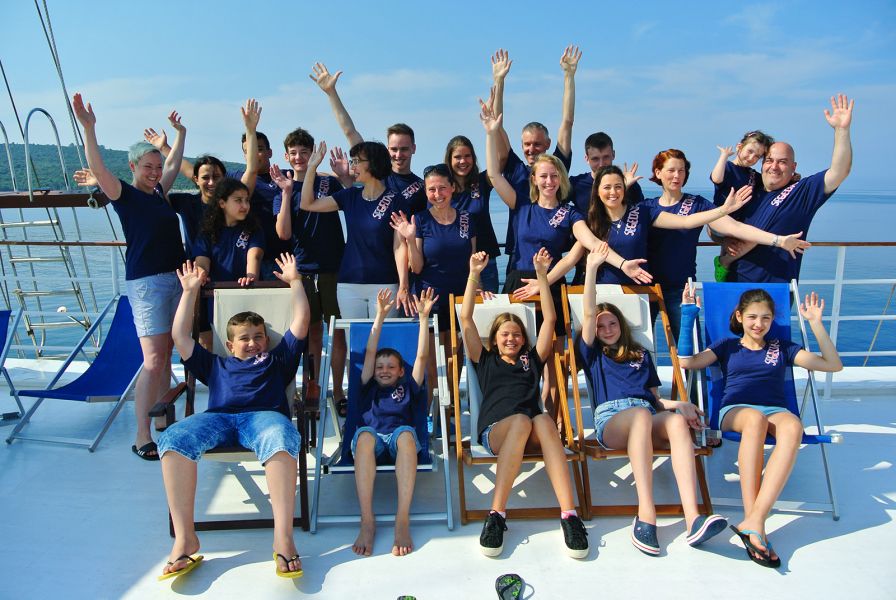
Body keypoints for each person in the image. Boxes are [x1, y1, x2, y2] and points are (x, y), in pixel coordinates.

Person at [158, 254, 309, 579]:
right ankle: (186, 538)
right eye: (245, 338)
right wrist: (189, 292)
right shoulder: (215, 364)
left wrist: (296, 281)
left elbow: (300, 324)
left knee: (281, 438)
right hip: (220, 419)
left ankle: (283, 537)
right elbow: (180, 338)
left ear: (266, 340)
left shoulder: (277, 360)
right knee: (173, 439)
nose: (253, 342)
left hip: (264, 417)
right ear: (229, 344)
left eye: (258, 336)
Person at [577, 244, 727, 555]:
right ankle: (647, 512)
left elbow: (654, 400)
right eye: (601, 326)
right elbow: (589, 312)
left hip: (645, 411)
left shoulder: (641, 354)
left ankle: (693, 518)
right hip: (613, 421)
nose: (606, 329)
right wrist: (591, 269)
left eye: (612, 324)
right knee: (643, 416)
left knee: (674, 423)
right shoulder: (592, 354)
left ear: (622, 326)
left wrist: (680, 406)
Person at [678, 287, 842, 567]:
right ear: (739, 316)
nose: (759, 324)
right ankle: (754, 520)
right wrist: (688, 313)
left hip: (775, 410)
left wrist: (815, 323)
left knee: (793, 427)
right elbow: (686, 362)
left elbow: (833, 365)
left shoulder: (782, 348)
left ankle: (755, 522)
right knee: (755, 419)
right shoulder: (726, 346)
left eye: (766, 318)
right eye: (752, 317)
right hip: (736, 410)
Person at [72, 92, 186, 460]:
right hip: (148, 284)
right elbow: (100, 169)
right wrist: (89, 128)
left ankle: (162, 426)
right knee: (153, 361)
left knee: (167, 358)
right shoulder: (125, 195)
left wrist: (179, 135)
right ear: (133, 167)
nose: (155, 172)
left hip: (174, 279)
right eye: (147, 167)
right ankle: (141, 435)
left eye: (157, 167)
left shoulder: (158, 194)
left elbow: (174, 164)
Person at [460, 249, 589, 560]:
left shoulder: (531, 359)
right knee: (522, 419)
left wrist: (543, 276)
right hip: (497, 431)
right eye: (505, 334)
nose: (512, 339)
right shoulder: (485, 360)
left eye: (517, 335)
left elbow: (552, 319)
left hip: (532, 430)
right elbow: (465, 318)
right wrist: (474, 273)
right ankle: (497, 515)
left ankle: (569, 515)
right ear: (494, 337)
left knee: (544, 420)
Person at [644, 149, 810, 340]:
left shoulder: (697, 204)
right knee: (640, 345)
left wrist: (779, 240)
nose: (677, 176)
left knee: (691, 348)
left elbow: (734, 227)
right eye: (671, 170)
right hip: (646, 286)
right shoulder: (645, 207)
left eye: (681, 170)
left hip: (680, 289)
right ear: (658, 173)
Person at [721, 94, 854, 283]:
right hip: (734, 283)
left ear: (793, 167)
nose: (774, 166)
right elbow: (717, 223)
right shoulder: (747, 188)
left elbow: (840, 171)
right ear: (762, 164)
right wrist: (722, 240)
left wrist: (842, 130)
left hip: (777, 289)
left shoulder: (802, 192)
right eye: (769, 160)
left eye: (782, 162)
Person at [269, 127, 349, 418]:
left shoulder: (328, 184)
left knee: (338, 334)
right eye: (294, 153)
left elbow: (353, 201)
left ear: (313, 152)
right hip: (302, 270)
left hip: (333, 267)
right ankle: (314, 390)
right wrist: (288, 193)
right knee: (311, 334)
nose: (300, 157)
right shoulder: (283, 188)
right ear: (286, 156)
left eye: (305, 152)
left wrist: (342, 175)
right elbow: (283, 232)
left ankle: (339, 391)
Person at [351, 287, 435, 558]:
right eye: (379, 367)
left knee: (407, 437)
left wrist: (423, 320)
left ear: (401, 371)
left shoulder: (409, 385)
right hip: (372, 434)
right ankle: (367, 520)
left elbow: (422, 357)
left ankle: (402, 519)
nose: (384, 370)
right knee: (363, 437)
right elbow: (370, 350)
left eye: (390, 366)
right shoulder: (367, 385)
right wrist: (380, 316)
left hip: (400, 434)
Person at [391, 163, 476, 407]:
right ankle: (428, 412)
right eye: (431, 190)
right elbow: (416, 267)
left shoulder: (466, 219)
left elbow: (472, 261)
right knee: (429, 362)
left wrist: (476, 286)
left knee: (454, 358)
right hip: (429, 298)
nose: (437, 194)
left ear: (452, 188)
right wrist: (408, 240)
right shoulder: (420, 219)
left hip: (459, 298)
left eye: (442, 188)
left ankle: (451, 410)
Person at [299, 140, 413, 318]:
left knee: (383, 344)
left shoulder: (395, 200)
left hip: (385, 284)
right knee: (354, 343)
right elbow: (308, 204)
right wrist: (312, 167)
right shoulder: (349, 196)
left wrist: (404, 285)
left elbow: (399, 246)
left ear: (373, 163)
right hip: (349, 285)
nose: (353, 166)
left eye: (357, 161)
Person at [491, 46, 581, 269]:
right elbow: (495, 126)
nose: (531, 149)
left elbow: (567, 122)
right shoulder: (515, 169)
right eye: (527, 145)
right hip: (519, 255)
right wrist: (499, 81)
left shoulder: (555, 167)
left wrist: (569, 76)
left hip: (552, 257)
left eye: (537, 144)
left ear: (548, 145)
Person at [309, 62, 426, 214]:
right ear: (387, 149)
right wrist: (332, 93)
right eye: (394, 149)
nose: (398, 155)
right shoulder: (374, 172)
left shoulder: (422, 187)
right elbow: (350, 131)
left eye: (404, 149)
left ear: (414, 148)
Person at [708, 130, 775, 281]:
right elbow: (716, 178)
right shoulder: (728, 168)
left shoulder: (752, 175)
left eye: (757, 156)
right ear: (739, 147)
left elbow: (770, 183)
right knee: (742, 237)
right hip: (720, 219)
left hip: (737, 223)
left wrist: (792, 179)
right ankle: (723, 263)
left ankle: (724, 265)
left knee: (741, 241)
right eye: (749, 151)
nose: (752, 158)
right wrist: (724, 156)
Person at [444, 134, 500, 292]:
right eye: (457, 157)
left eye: (467, 156)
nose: (463, 161)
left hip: (485, 263)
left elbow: (500, 160)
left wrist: (491, 132)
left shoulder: (482, 182)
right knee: (457, 315)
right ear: (449, 159)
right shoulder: (442, 190)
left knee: (490, 313)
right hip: (456, 265)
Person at [193, 178, 264, 286]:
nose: (245, 206)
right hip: (215, 295)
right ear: (222, 203)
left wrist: (250, 277)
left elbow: (255, 257)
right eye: (238, 200)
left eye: (247, 200)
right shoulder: (207, 232)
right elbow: (202, 261)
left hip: (246, 291)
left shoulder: (253, 229)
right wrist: (202, 273)